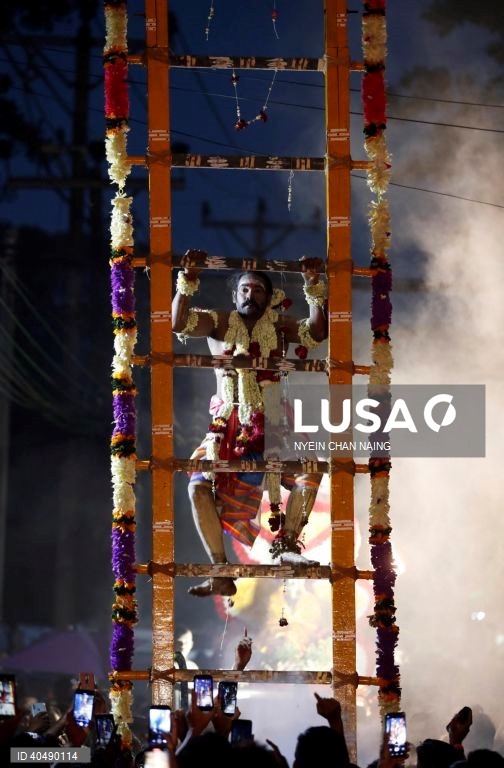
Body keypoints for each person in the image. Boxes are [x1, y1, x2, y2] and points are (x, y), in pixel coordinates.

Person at [173, 252, 328, 597]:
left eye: (258, 290)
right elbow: (179, 322)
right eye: (244, 290)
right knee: (197, 485)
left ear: (269, 297)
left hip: (275, 422)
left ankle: (286, 546)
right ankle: (220, 570)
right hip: (227, 425)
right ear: (234, 295)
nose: (250, 295)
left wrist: (313, 285)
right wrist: (188, 277)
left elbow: (317, 332)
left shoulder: (280, 325)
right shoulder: (218, 322)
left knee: (311, 467)